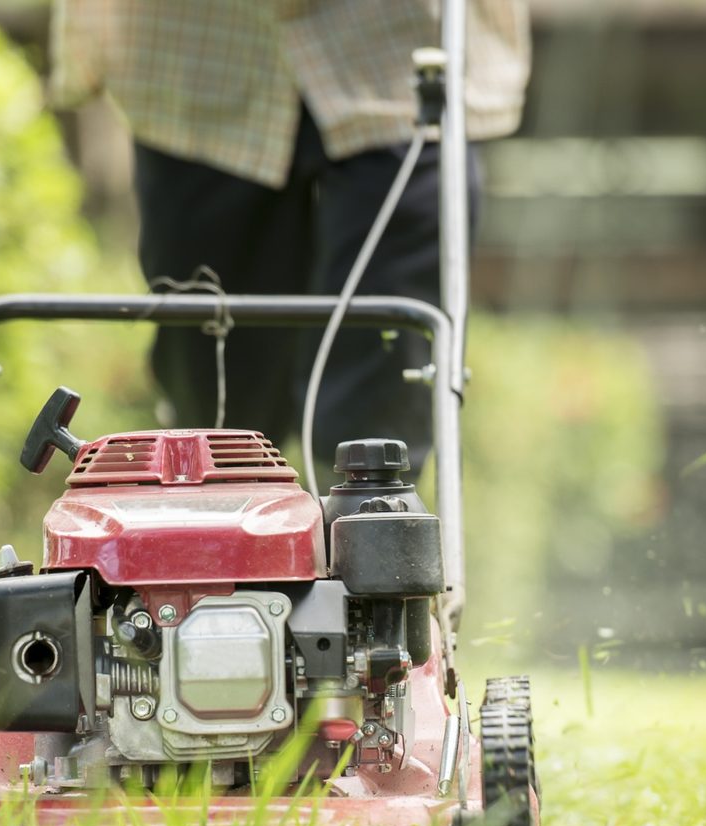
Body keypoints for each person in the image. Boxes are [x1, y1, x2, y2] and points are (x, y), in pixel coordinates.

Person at [49, 1, 530, 473]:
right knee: (213, 408)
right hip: (196, 52)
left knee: (382, 407)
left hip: (395, 54)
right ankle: (213, 532)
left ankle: (373, 525)